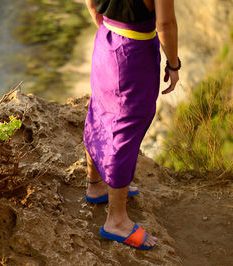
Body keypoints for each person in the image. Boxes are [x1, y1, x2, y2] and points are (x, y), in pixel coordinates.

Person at [83, 0, 179, 249]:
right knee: (125, 130)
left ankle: (96, 185)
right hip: (134, 53)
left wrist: (110, 31)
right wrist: (173, 63)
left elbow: (92, 4)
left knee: (99, 112)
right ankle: (116, 220)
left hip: (106, 41)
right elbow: (165, 23)